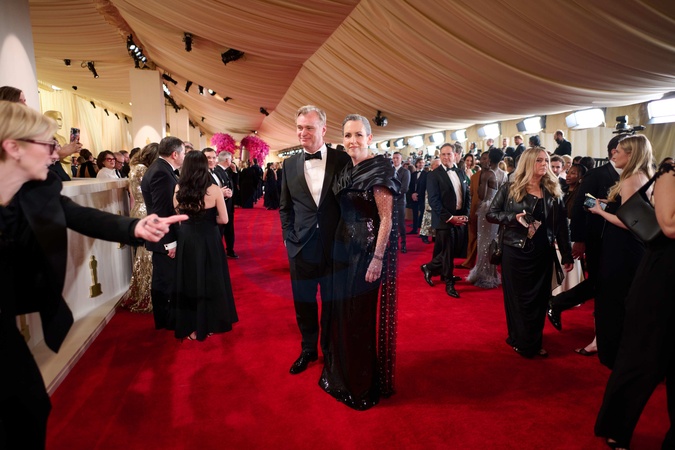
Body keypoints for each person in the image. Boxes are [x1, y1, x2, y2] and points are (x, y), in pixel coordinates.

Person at [0, 100, 186, 450]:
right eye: (47, 144)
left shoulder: (38, 187)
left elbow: (80, 216)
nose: (55, 153)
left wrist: (135, 228)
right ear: (13, 148)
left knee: (30, 408)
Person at [319, 114, 399, 411]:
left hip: (365, 252)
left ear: (369, 138)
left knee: (358, 317)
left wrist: (377, 258)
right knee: (341, 312)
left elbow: (386, 219)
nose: (352, 140)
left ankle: (360, 383)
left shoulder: (379, 168)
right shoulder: (346, 170)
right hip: (341, 249)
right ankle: (341, 374)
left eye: (358, 135)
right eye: (348, 135)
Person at [594, 162, 675, 450]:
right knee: (642, 356)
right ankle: (616, 427)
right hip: (663, 278)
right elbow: (669, 226)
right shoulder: (670, 172)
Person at [279, 105, 351, 375]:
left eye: (309, 127)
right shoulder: (289, 165)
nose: (302, 132)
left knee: (332, 303)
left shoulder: (342, 160)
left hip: (334, 247)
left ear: (323, 129)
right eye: (299, 127)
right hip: (301, 247)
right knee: (304, 303)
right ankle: (308, 349)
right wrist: (288, 239)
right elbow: (285, 207)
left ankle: (330, 350)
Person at [487, 147, 573, 358]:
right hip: (515, 252)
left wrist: (566, 253)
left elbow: (561, 225)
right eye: (539, 161)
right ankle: (521, 339)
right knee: (518, 299)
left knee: (538, 300)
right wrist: (513, 218)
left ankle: (531, 340)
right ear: (528, 163)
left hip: (542, 252)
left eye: (546, 160)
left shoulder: (553, 190)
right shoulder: (510, 188)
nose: (544, 164)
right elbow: (492, 214)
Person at [587, 134, 654, 369]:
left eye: (618, 150)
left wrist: (600, 211)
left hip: (623, 247)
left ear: (631, 154)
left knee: (613, 299)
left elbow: (628, 221)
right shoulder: (642, 175)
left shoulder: (631, 178)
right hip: (630, 246)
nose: (613, 154)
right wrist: (609, 204)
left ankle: (614, 354)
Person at [546, 135, 624, 334]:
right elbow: (581, 206)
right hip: (597, 237)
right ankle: (560, 303)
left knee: (604, 283)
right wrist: (579, 239)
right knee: (598, 282)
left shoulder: (630, 173)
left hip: (621, 238)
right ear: (614, 151)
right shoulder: (596, 174)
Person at [173, 151, 238, 341]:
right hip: (209, 238)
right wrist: (208, 220)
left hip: (187, 239)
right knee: (211, 279)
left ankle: (191, 326)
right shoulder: (214, 189)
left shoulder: (178, 188)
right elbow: (224, 219)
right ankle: (210, 324)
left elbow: (178, 217)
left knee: (188, 280)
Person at [141, 136, 186, 330]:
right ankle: (167, 321)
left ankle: (166, 319)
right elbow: (162, 211)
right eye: (183, 152)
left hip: (162, 236)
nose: (184, 156)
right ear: (175, 154)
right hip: (164, 238)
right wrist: (170, 242)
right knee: (165, 281)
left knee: (165, 279)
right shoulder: (161, 172)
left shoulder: (161, 169)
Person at [420, 143, 470, 298]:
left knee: (454, 250)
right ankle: (449, 283)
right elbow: (434, 201)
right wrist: (450, 218)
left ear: (455, 155)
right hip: (444, 220)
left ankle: (430, 267)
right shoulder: (433, 175)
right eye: (443, 154)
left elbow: (467, 195)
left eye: (449, 154)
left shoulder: (460, 172)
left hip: (460, 217)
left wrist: (465, 215)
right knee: (448, 252)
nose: (446, 157)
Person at [119, 143, 159, 313]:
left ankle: (143, 289)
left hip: (138, 209)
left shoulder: (135, 167)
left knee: (143, 252)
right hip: (145, 211)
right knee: (148, 253)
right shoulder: (143, 169)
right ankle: (148, 292)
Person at [467, 148, 506, 289]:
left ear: (490, 158)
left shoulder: (487, 174)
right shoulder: (504, 174)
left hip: (487, 210)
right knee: (493, 242)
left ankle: (483, 274)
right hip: (499, 210)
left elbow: (482, 195)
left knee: (483, 243)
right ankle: (492, 273)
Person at [459, 152, 486, 270]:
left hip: (481, 207)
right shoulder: (463, 173)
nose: (469, 163)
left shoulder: (475, 173)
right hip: (470, 205)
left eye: (471, 161)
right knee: (472, 235)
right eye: (467, 160)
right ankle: (469, 260)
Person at [215, 151, 238, 258]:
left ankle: (229, 250)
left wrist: (235, 171)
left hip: (228, 206)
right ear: (227, 160)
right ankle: (220, 252)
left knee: (229, 230)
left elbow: (234, 184)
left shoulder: (226, 171)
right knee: (221, 230)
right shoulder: (217, 171)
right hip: (222, 207)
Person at [418, 158, 440, 244]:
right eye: (437, 165)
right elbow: (422, 187)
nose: (439, 167)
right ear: (432, 166)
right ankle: (424, 235)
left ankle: (435, 236)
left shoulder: (441, 175)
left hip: (437, 201)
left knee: (436, 219)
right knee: (427, 219)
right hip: (428, 200)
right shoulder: (428, 175)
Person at [392, 151, 409, 253]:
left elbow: (404, 188)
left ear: (401, 159)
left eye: (397, 158)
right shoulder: (390, 171)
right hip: (389, 201)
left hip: (400, 201)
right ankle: (393, 243)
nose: (395, 160)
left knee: (401, 223)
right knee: (391, 224)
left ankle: (403, 243)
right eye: (394, 158)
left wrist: (394, 197)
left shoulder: (405, 172)